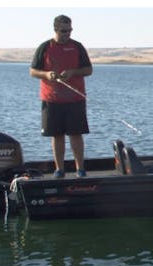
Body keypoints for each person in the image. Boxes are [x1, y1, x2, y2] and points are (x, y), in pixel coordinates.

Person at [30, 14, 93, 178]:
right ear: (56, 29)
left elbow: (88, 70)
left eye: (70, 30)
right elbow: (33, 71)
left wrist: (73, 72)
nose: (67, 34)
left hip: (75, 98)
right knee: (57, 135)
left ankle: (80, 169)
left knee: (75, 134)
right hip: (52, 99)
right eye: (64, 31)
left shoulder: (77, 47)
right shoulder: (45, 47)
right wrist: (47, 74)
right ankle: (60, 169)